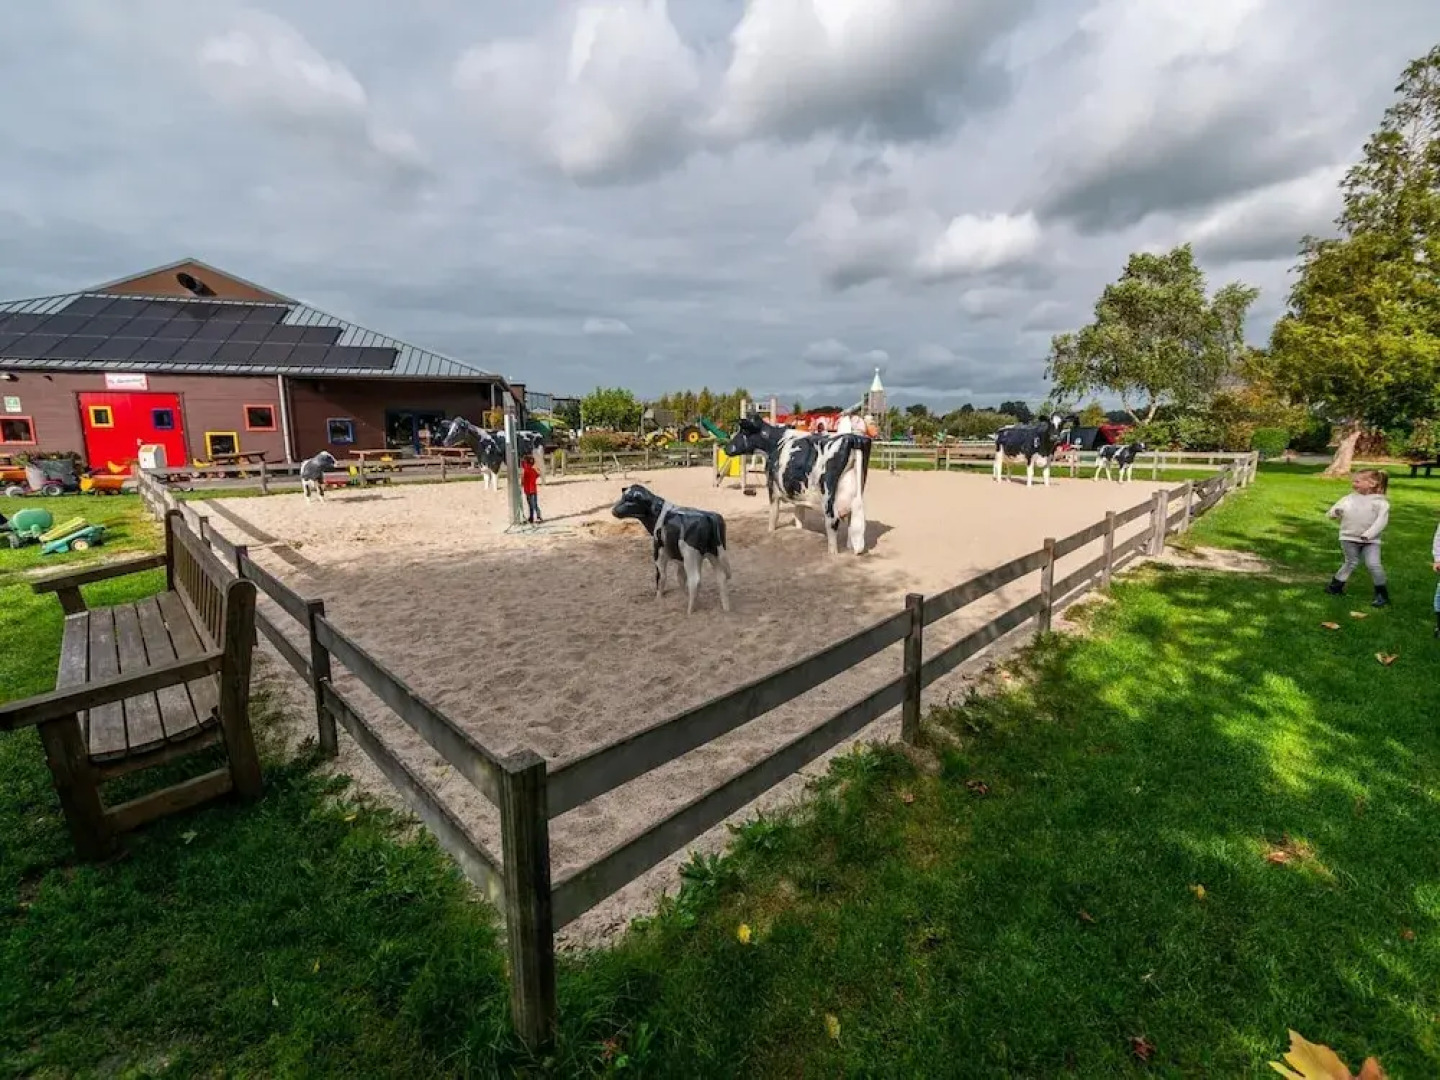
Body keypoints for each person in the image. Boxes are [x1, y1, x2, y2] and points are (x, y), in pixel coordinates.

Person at [1325, 469, 1390, 606]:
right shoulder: (1348, 498)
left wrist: (1368, 535)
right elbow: (1332, 512)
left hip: (1371, 541)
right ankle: (1335, 587)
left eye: (1357, 481)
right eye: (1353, 481)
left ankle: (1381, 595)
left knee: (1374, 564)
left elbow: (1381, 521)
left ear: (1372, 483)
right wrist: (1335, 512)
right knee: (1351, 562)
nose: (1354, 484)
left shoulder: (1380, 502)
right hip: (1348, 538)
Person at [521, 454, 542, 524]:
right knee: (533, 504)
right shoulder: (531, 470)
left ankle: (534, 517)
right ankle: (534, 517)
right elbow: (538, 474)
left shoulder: (526, 471)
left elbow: (523, 481)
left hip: (529, 490)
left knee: (531, 504)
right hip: (531, 490)